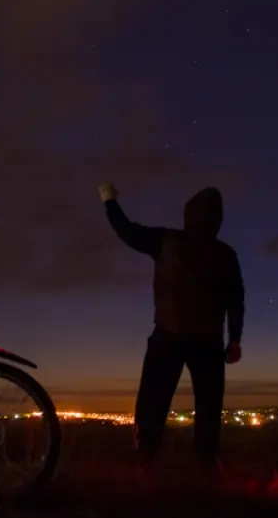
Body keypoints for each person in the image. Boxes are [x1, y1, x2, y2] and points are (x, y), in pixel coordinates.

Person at [97, 181, 244, 470]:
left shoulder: (166, 240)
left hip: (168, 334)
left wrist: (109, 201)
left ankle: (146, 455)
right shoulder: (226, 254)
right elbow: (236, 299)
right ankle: (206, 461)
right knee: (209, 405)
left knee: (153, 398)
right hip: (209, 340)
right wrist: (235, 338)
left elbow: (127, 232)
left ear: (189, 214)